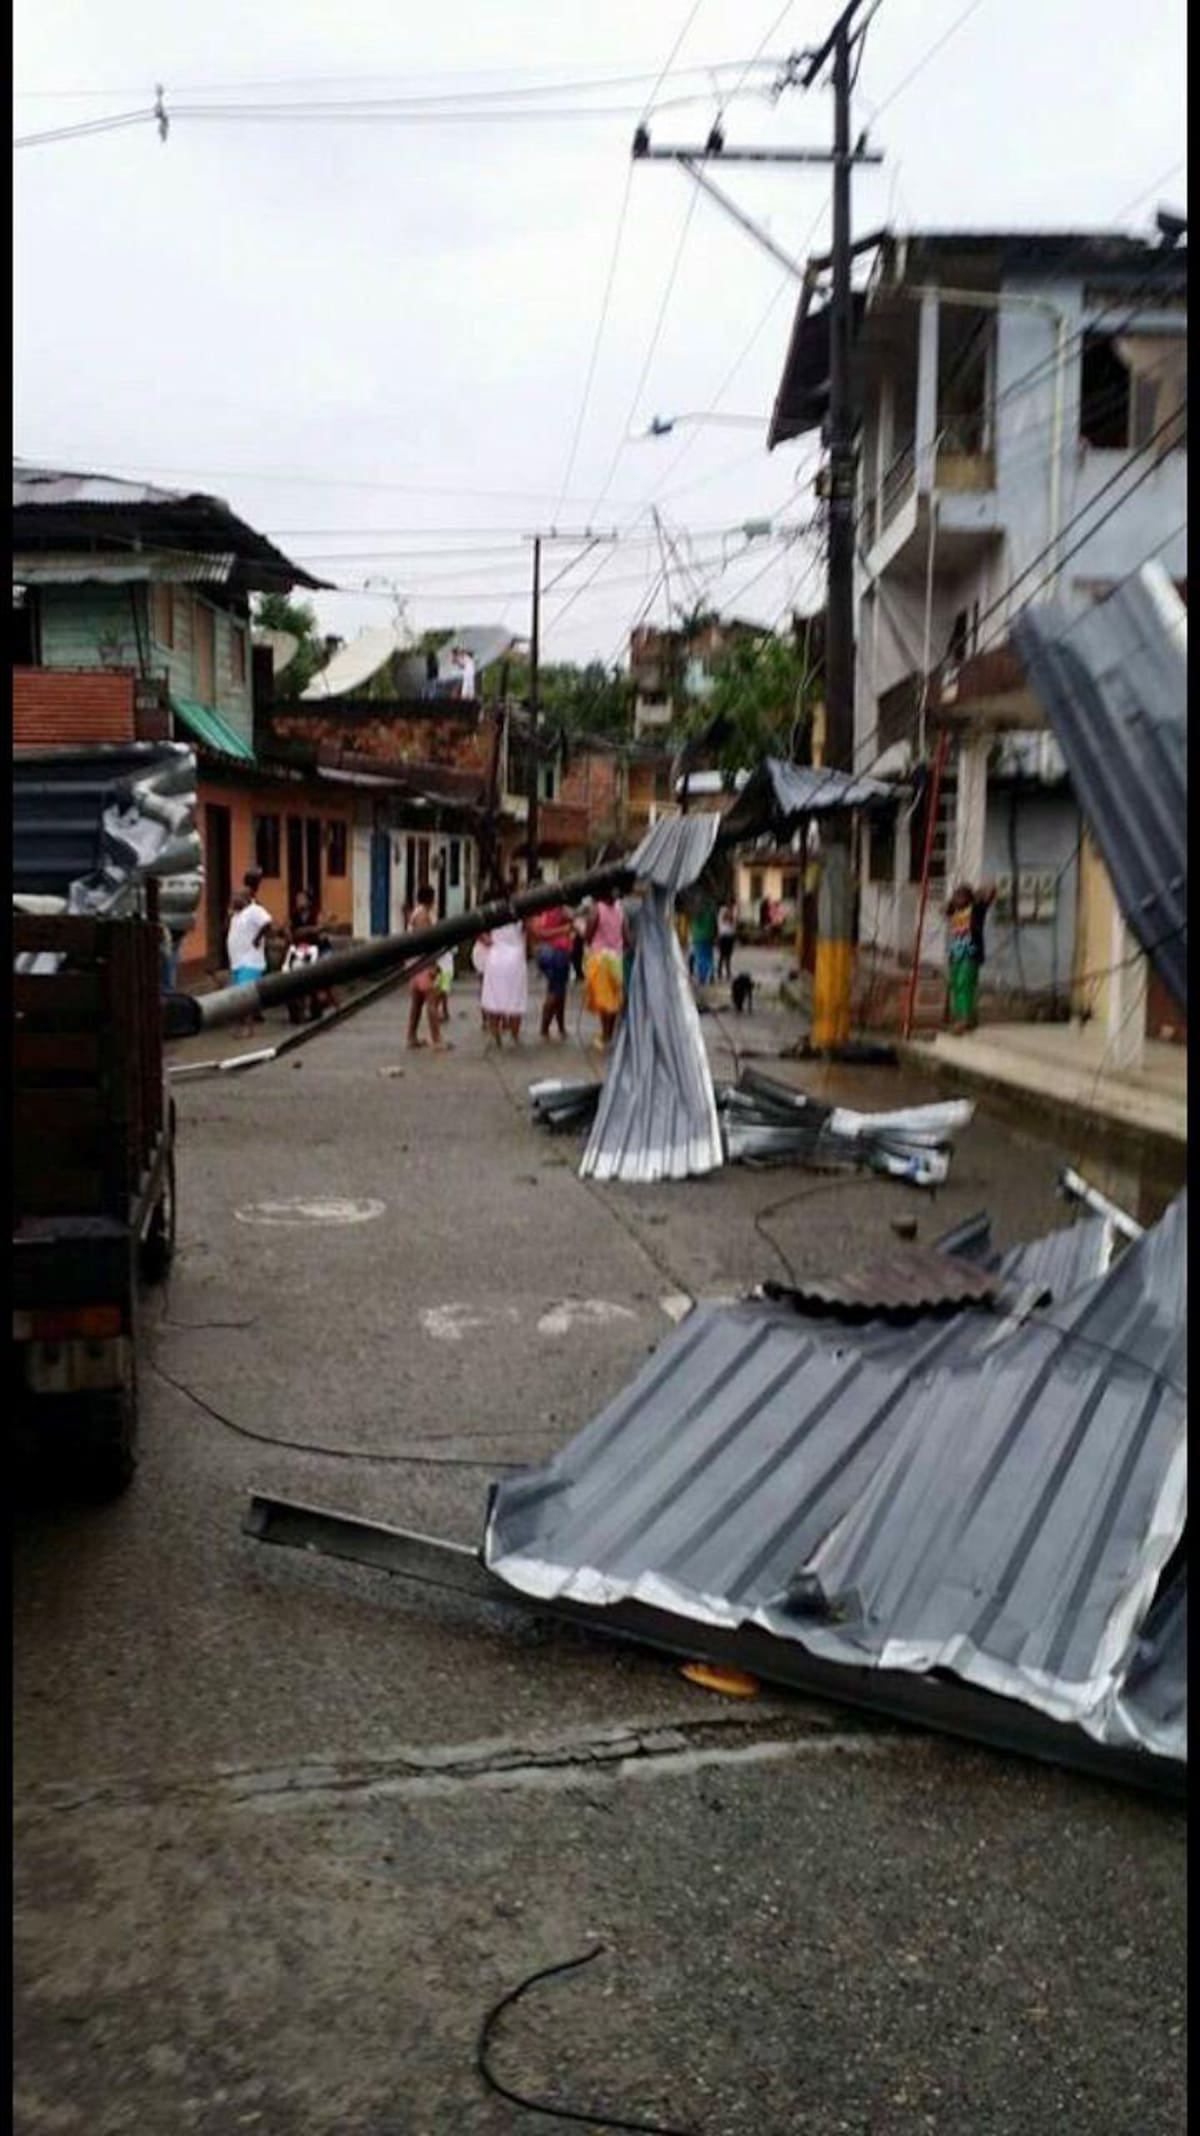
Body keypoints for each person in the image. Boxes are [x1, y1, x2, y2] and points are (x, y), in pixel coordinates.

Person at [479, 879, 529, 1045]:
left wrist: (489, 942)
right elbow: (527, 932)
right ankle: (515, 1035)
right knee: (516, 997)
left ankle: (495, 1034)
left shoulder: (492, 912)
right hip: (515, 956)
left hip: (496, 955)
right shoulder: (520, 912)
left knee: (494, 996)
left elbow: (479, 931)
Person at [527, 876, 574, 1041]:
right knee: (555, 991)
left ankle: (560, 1026)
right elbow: (538, 933)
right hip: (553, 951)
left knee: (560, 990)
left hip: (558, 951)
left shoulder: (553, 907)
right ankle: (545, 1028)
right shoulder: (537, 911)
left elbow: (571, 916)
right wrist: (563, 930)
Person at [226, 885, 274, 1037]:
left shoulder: (254, 910)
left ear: (246, 898)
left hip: (250, 961)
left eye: (236, 897)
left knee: (246, 997)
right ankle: (240, 1027)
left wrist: (258, 938)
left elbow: (268, 923)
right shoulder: (236, 914)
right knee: (238, 997)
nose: (233, 899)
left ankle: (249, 1028)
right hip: (237, 962)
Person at [584, 891, 625, 1049]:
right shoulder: (620, 909)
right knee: (614, 999)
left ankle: (605, 1035)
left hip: (600, 959)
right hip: (616, 959)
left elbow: (588, 935)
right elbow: (626, 936)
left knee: (604, 1000)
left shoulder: (597, 909)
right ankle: (609, 1034)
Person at [406, 883, 444, 1051]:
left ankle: (411, 1036)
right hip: (423, 963)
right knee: (431, 1000)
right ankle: (436, 1039)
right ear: (431, 899)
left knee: (417, 1002)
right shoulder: (423, 916)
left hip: (414, 962)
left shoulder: (416, 913)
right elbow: (426, 941)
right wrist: (433, 964)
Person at [945, 881, 985, 1034]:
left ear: (969, 898)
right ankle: (962, 1016)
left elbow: (990, 892)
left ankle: (966, 1018)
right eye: (956, 896)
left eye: (961, 896)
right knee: (956, 985)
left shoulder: (976, 910)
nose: (958, 900)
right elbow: (944, 909)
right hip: (957, 953)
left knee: (965, 984)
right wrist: (951, 903)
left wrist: (977, 895)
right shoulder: (955, 911)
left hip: (971, 953)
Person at [690, 897, 718, 988]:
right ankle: (710, 976)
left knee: (701, 959)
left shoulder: (699, 912)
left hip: (699, 938)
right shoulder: (711, 912)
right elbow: (715, 925)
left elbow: (695, 916)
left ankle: (703, 978)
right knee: (708, 958)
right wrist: (714, 936)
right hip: (708, 937)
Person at [716, 901, 737, 983]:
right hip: (724, 937)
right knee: (722, 955)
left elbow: (734, 925)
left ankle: (727, 972)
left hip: (730, 937)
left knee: (728, 956)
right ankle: (719, 972)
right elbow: (723, 920)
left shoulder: (732, 913)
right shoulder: (722, 912)